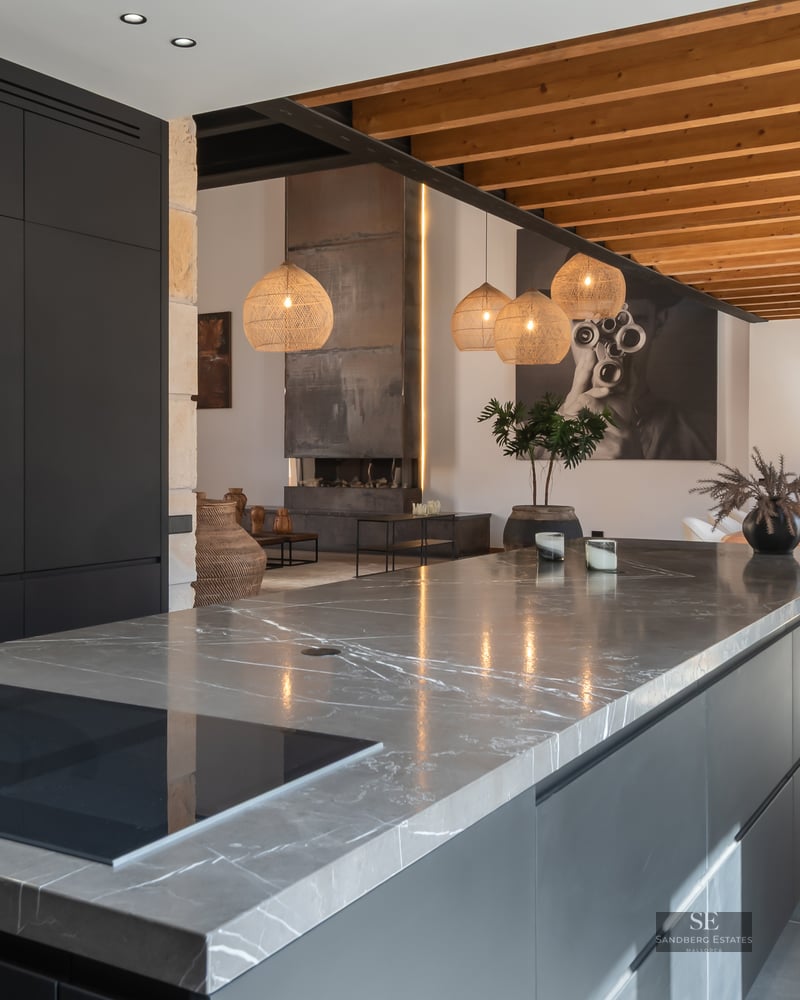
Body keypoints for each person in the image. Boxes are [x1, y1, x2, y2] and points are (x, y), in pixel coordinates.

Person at [558, 302, 713, 460]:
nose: (606, 346)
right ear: (568, 326)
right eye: (586, 329)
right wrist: (554, 447)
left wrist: (635, 469)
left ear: (657, 322)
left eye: (629, 332)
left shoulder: (708, 439)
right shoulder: (534, 445)